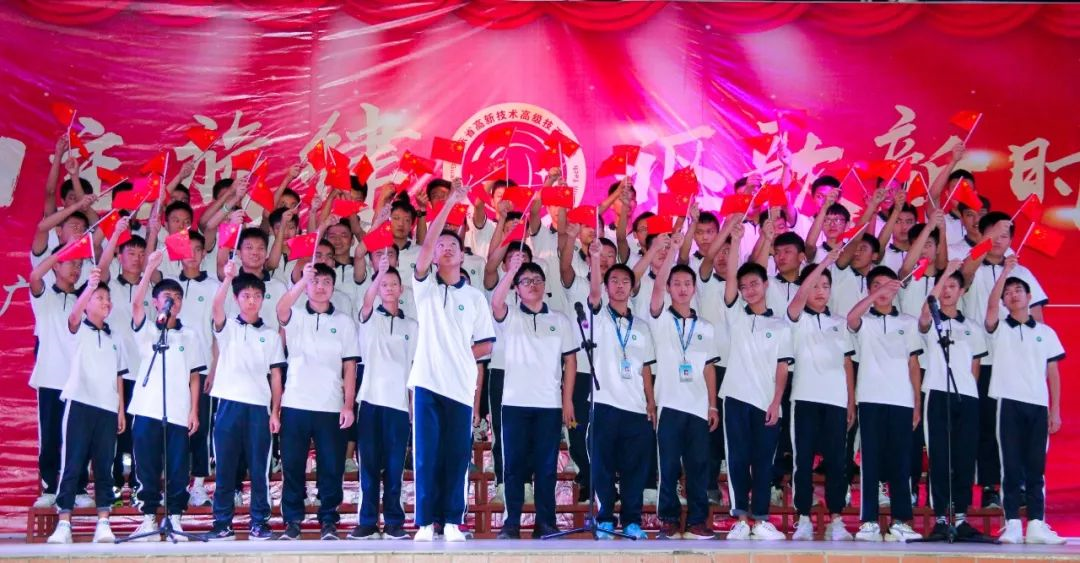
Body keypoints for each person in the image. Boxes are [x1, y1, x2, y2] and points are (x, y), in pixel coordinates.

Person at [407, 179, 495, 542]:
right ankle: (426, 522)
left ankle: (453, 520)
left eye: (452, 246)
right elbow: (427, 245)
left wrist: (460, 354)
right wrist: (449, 205)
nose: (444, 249)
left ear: (462, 257)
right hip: (427, 382)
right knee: (426, 455)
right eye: (440, 245)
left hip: (459, 385)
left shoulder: (474, 298)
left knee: (456, 455)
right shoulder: (425, 288)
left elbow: (486, 345)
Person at [491, 254, 577, 539]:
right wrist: (511, 271)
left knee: (546, 467)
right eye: (526, 281)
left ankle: (546, 522)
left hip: (549, 405)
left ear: (545, 285)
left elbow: (571, 361)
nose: (533, 285)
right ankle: (511, 522)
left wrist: (567, 400)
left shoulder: (560, 320)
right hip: (514, 403)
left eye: (537, 280)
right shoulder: (511, 316)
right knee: (514, 467)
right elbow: (496, 303)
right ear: (517, 288)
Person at [275, 262, 359, 540]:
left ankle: (328, 519)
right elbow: (281, 309)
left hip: (330, 405)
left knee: (331, 466)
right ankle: (292, 520)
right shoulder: (296, 315)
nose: (320, 287)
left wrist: (348, 404)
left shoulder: (344, 322)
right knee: (292, 465)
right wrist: (302, 280)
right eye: (315, 281)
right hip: (295, 403)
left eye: (326, 282)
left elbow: (350, 366)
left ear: (333, 288)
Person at [985, 258, 1066, 544]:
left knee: (1036, 467)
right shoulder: (999, 328)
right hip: (1008, 402)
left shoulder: (1046, 333)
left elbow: (1053, 373)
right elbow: (991, 307)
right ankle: (1012, 524)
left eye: (1018, 290)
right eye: (1008, 293)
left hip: (1038, 404)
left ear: (1030, 297)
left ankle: (1036, 524)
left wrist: (1055, 410)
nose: (1013, 295)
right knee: (1010, 465)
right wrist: (1006, 272)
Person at [719, 224, 791, 541]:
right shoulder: (736, 315)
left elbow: (782, 367)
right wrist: (735, 241)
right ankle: (739, 518)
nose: (749, 290)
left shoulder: (781, 325)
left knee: (763, 462)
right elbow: (731, 278)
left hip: (766, 402)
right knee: (737, 460)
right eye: (744, 286)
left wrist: (776, 401)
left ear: (765, 284)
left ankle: (760, 519)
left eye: (754, 284)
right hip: (735, 397)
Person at [126, 250, 205, 541]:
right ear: (157, 301)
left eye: (178, 297)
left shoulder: (190, 335)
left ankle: (174, 518)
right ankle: (148, 517)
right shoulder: (147, 329)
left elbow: (194, 375)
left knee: (177, 467)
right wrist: (149, 268)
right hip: (147, 408)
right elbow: (136, 303)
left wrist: (194, 410)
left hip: (178, 411)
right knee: (146, 464)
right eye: (167, 296)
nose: (173, 301)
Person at [647, 233, 721, 541]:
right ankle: (668, 518)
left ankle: (697, 521)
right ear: (668, 288)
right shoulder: (660, 319)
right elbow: (655, 291)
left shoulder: (705, 327)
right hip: (669, 404)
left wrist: (712, 404)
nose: (681, 288)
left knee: (699, 465)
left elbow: (708, 367)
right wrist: (674, 252)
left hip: (698, 407)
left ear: (694, 289)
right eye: (675, 283)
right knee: (667, 465)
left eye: (687, 284)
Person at [206, 261, 287, 541]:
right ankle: (222, 522)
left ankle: (259, 522)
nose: (251, 301)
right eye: (246, 296)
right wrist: (227, 278)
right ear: (237, 298)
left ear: (263, 300)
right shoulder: (227, 327)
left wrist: (275, 412)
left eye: (257, 296)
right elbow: (216, 306)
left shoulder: (270, 335)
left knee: (259, 469)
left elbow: (276, 376)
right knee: (225, 468)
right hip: (228, 405)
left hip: (258, 409)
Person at [46, 267, 126, 544]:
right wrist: (90, 286)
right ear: (87, 301)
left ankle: (103, 522)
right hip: (80, 403)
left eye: (108, 299)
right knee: (73, 463)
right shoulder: (78, 329)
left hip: (107, 409)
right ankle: (64, 523)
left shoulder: (115, 337)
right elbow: (73, 315)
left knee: (104, 466)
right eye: (99, 298)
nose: (106, 302)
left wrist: (120, 409)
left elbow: (119, 376)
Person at [846, 266, 923, 542]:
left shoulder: (908, 322)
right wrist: (874, 295)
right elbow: (852, 318)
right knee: (870, 461)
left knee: (901, 462)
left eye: (887, 285)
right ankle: (868, 521)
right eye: (876, 285)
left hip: (901, 400)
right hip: (870, 398)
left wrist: (917, 403)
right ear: (868, 290)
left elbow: (914, 364)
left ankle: (900, 521)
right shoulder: (865, 322)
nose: (882, 291)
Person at [586, 240, 656, 541]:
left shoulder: (641, 326)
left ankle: (631, 521)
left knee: (634, 469)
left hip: (636, 408)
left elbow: (646, 368)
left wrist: (651, 402)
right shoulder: (599, 316)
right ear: (606, 286)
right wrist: (595, 259)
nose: (619, 286)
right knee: (602, 467)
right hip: (604, 404)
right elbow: (593, 294)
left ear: (632, 288)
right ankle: (604, 519)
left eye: (625, 282)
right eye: (613, 281)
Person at [786, 250, 855, 541]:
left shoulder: (839, 321)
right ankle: (803, 517)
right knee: (802, 461)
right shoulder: (796, 317)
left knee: (837, 462)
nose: (820, 291)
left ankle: (836, 519)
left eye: (826, 286)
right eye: (815, 285)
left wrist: (850, 401)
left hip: (836, 401)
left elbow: (847, 362)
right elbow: (799, 298)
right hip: (805, 398)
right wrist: (824, 264)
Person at [917, 261, 989, 541]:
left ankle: (960, 517)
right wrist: (946, 272)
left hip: (966, 397)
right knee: (939, 457)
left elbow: (975, 366)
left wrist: (969, 392)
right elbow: (926, 311)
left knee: (964, 458)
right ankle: (940, 518)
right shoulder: (931, 321)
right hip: (937, 393)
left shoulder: (972, 327)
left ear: (962, 291)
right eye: (944, 285)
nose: (947, 290)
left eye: (953, 286)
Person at [350, 255, 416, 541]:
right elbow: (367, 301)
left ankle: (393, 522)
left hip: (398, 406)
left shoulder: (412, 326)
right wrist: (380, 273)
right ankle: (366, 522)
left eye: (393, 284)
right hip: (370, 402)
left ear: (401, 290)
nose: (388, 288)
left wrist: (411, 405)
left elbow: (414, 367)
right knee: (368, 467)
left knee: (394, 467)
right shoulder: (369, 317)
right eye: (383, 284)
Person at [29, 242, 94, 509]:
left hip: (78, 381)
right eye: (71, 263)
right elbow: (35, 276)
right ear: (56, 266)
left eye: (79, 265)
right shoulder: (45, 298)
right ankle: (49, 488)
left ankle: (78, 488)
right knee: (51, 436)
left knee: (78, 436)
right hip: (50, 379)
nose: (76, 269)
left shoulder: (86, 298)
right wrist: (59, 253)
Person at [166, 230, 220, 507]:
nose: (192, 255)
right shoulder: (168, 285)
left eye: (197, 249)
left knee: (200, 428)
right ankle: (171, 484)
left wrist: (214, 369)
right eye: (186, 249)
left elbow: (218, 332)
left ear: (204, 253)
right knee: (172, 428)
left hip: (203, 369)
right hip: (171, 370)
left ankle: (198, 485)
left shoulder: (213, 287)